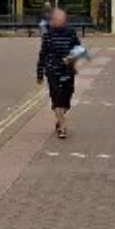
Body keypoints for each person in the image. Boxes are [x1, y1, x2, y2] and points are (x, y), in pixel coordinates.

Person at [36, 7, 79, 139]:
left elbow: (78, 49)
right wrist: (40, 73)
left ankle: (61, 116)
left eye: (61, 19)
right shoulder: (48, 35)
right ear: (53, 20)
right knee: (56, 98)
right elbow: (42, 54)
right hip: (53, 70)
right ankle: (62, 126)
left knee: (66, 98)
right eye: (56, 19)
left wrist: (71, 58)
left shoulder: (71, 33)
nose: (58, 21)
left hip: (67, 70)